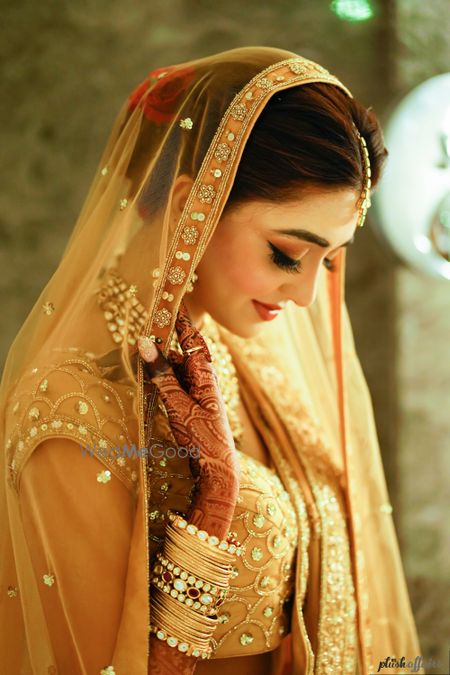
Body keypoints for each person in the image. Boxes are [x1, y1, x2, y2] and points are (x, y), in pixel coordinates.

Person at [0, 46, 424, 675]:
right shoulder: (77, 410)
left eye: (330, 260)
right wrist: (215, 504)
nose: (307, 296)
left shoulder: (241, 354)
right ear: (189, 209)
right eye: (286, 254)